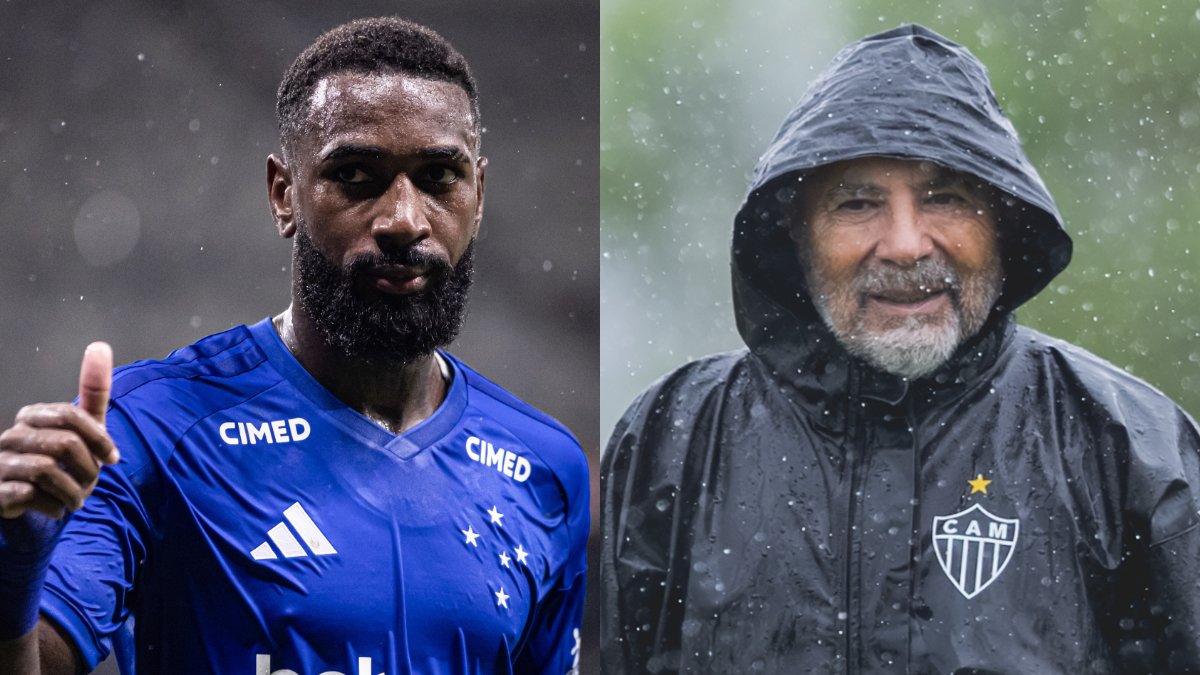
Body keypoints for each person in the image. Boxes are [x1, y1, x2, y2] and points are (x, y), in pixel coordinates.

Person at [601, 23, 1200, 674]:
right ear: (795, 237)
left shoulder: (1130, 447)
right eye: (857, 203)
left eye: (947, 197)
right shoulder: (672, 441)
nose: (906, 243)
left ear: (1002, 221)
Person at [0, 17, 588, 675]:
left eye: (437, 176)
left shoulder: (546, 468)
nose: (403, 218)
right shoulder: (152, 428)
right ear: (285, 195)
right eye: (357, 175)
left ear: (478, 196)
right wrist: (11, 575)